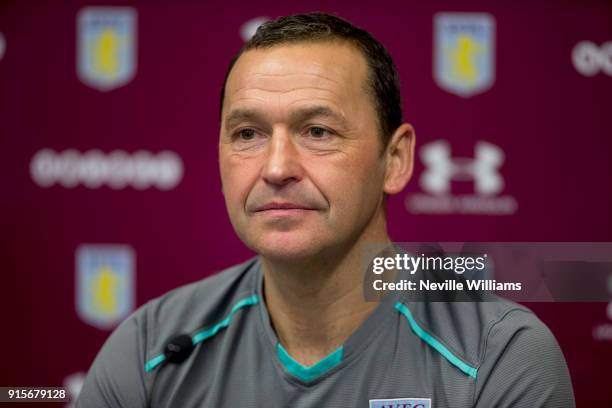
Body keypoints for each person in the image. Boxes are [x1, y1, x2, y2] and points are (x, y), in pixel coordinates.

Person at [77, 12, 575, 407]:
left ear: (395, 160)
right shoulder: (151, 347)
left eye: (318, 131)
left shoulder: (499, 353)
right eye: (247, 134)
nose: (276, 168)